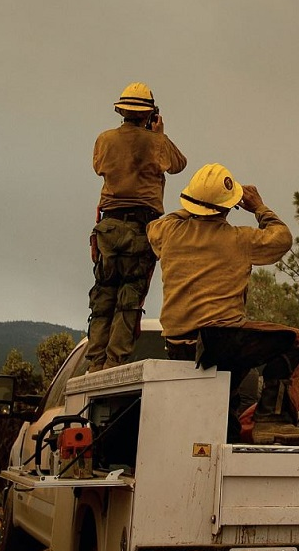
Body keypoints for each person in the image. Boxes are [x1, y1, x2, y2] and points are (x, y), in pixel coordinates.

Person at [146, 163, 299, 446]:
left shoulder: (168, 233)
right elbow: (282, 238)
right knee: (296, 341)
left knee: (223, 410)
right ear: (229, 206)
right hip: (222, 341)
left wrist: (195, 202)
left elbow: (156, 225)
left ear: (189, 201)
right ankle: (273, 422)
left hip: (179, 345)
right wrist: (259, 207)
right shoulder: (240, 239)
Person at [87, 82, 187, 372]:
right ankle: (114, 361)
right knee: (129, 298)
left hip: (108, 227)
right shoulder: (157, 143)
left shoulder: (104, 139)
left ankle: (95, 361)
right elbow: (179, 164)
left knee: (103, 293)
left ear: (121, 110)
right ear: (150, 113)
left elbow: (98, 167)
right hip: (141, 228)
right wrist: (160, 135)